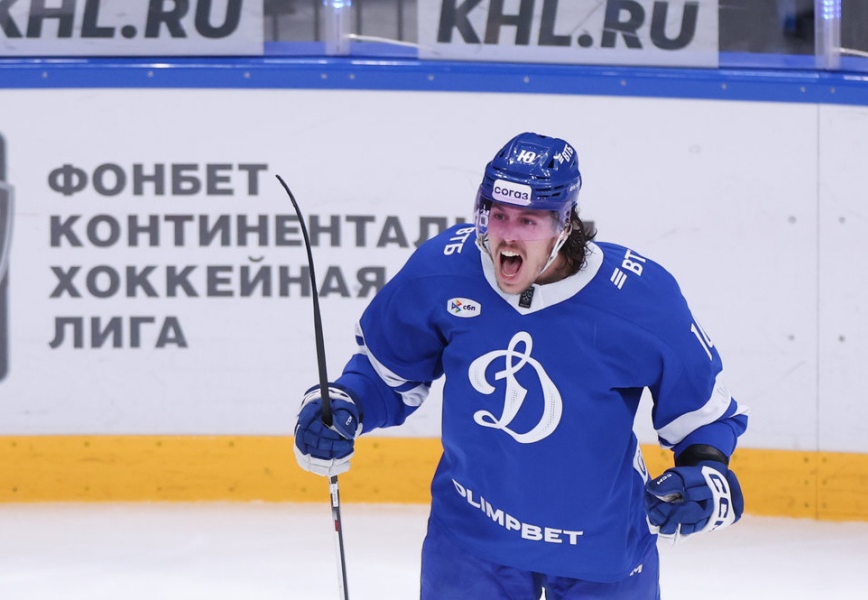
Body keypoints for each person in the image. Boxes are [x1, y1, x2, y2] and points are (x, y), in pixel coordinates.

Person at [293, 132, 749, 599]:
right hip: (470, 542)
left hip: (602, 549)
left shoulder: (639, 299)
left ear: (564, 223)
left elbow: (702, 417)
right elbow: (385, 374)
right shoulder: (443, 272)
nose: (507, 235)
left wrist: (708, 471)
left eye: (528, 221)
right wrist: (344, 404)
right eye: (498, 215)